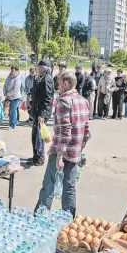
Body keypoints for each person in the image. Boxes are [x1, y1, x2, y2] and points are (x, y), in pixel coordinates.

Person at [35, 71, 91, 217]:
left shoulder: (63, 101)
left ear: (66, 84)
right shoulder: (84, 101)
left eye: (59, 84)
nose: (57, 88)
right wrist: (80, 149)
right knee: (69, 187)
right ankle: (68, 220)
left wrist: (60, 155)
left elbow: (66, 131)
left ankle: (39, 218)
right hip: (74, 152)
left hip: (60, 151)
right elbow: (86, 132)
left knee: (49, 185)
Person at [29, 60, 54, 166]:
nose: (37, 68)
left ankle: (40, 158)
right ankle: (36, 156)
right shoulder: (39, 77)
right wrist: (31, 104)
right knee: (35, 135)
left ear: (45, 68)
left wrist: (42, 115)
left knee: (39, 136)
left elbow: (48, 99)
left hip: (41, 113)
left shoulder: (47, 79)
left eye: (39, 67)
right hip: (36, 110)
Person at [4, 65, 22, 131]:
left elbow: (16, 89)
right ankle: (14, 121)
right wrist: (5, 92)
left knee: (12, 111)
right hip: (8, 96)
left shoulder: (18, 78)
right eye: (11, 70)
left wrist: (8, 94)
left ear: (16, 70)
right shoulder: (9, 76)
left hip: (15, 97)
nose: (11, 71)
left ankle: (12, 125)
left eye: (13, 70)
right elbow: (5, 84)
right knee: (9, 110)